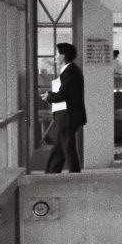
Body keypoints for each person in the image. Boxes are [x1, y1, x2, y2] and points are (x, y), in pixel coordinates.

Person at [45, 42, 87, 173]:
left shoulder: (71, 72)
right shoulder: (71, 71)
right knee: (60, 148)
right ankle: (51, 173)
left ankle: (75, 175)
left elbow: (63, 95)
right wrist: (51, 95)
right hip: (67, 116)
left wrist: (48, 97)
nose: (55, 57)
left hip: (67, 116)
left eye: (57, 54)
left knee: (68, 148)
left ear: (63, 56)